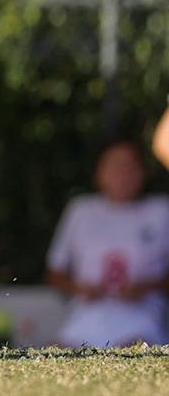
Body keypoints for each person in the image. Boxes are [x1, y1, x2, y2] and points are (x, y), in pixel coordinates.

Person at [45, 138, 169, 347]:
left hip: (143, 318)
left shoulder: (161, 211)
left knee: (132, 351)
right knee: (58, 353)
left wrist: (146, 287)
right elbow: (54, 274)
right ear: (98, 173)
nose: (122, 175)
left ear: (143, 172)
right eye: (114, 167)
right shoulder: (81, 210)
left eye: (129, 166)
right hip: (87, 317)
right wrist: (81, 289)